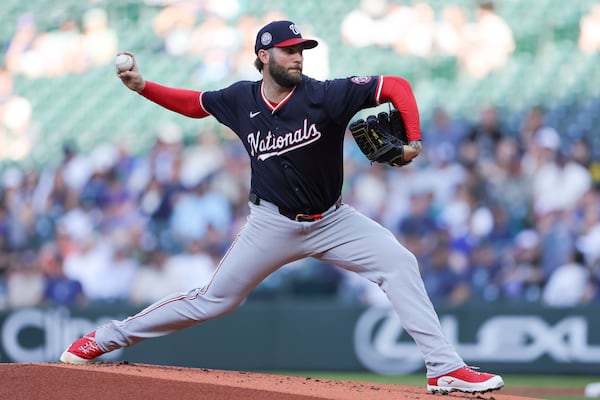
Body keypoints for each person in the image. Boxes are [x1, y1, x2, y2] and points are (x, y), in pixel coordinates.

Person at [59, 20, 504, 394]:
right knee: (213, 300)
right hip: (270, 223)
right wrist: (142, 87)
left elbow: (397, 86)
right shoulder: (240, 99)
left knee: (400, 263)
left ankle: (444, 368)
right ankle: (103, 339)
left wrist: (415, 140)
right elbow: (194, 105)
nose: (298, 57)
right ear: (264, 55)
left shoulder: (326, 95)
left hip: (333, 220)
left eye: (301, 50)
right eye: (289, 51)